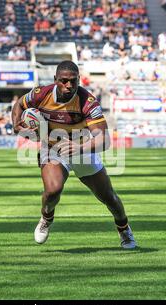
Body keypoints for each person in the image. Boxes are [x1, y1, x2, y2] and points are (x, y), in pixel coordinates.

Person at [11, 60, 137, 249]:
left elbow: (105, 140)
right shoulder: (41, 93)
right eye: (63, 81)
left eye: (73, 81)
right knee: (52, 191)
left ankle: (124, 229)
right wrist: (16, 124)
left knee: (108, 197)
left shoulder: (87, 101)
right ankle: (46, 218)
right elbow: (19, 105)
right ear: (55, 80)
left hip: (83, 149)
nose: (69, 85)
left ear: (79, 80)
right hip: (53, 148)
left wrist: (80, 148)